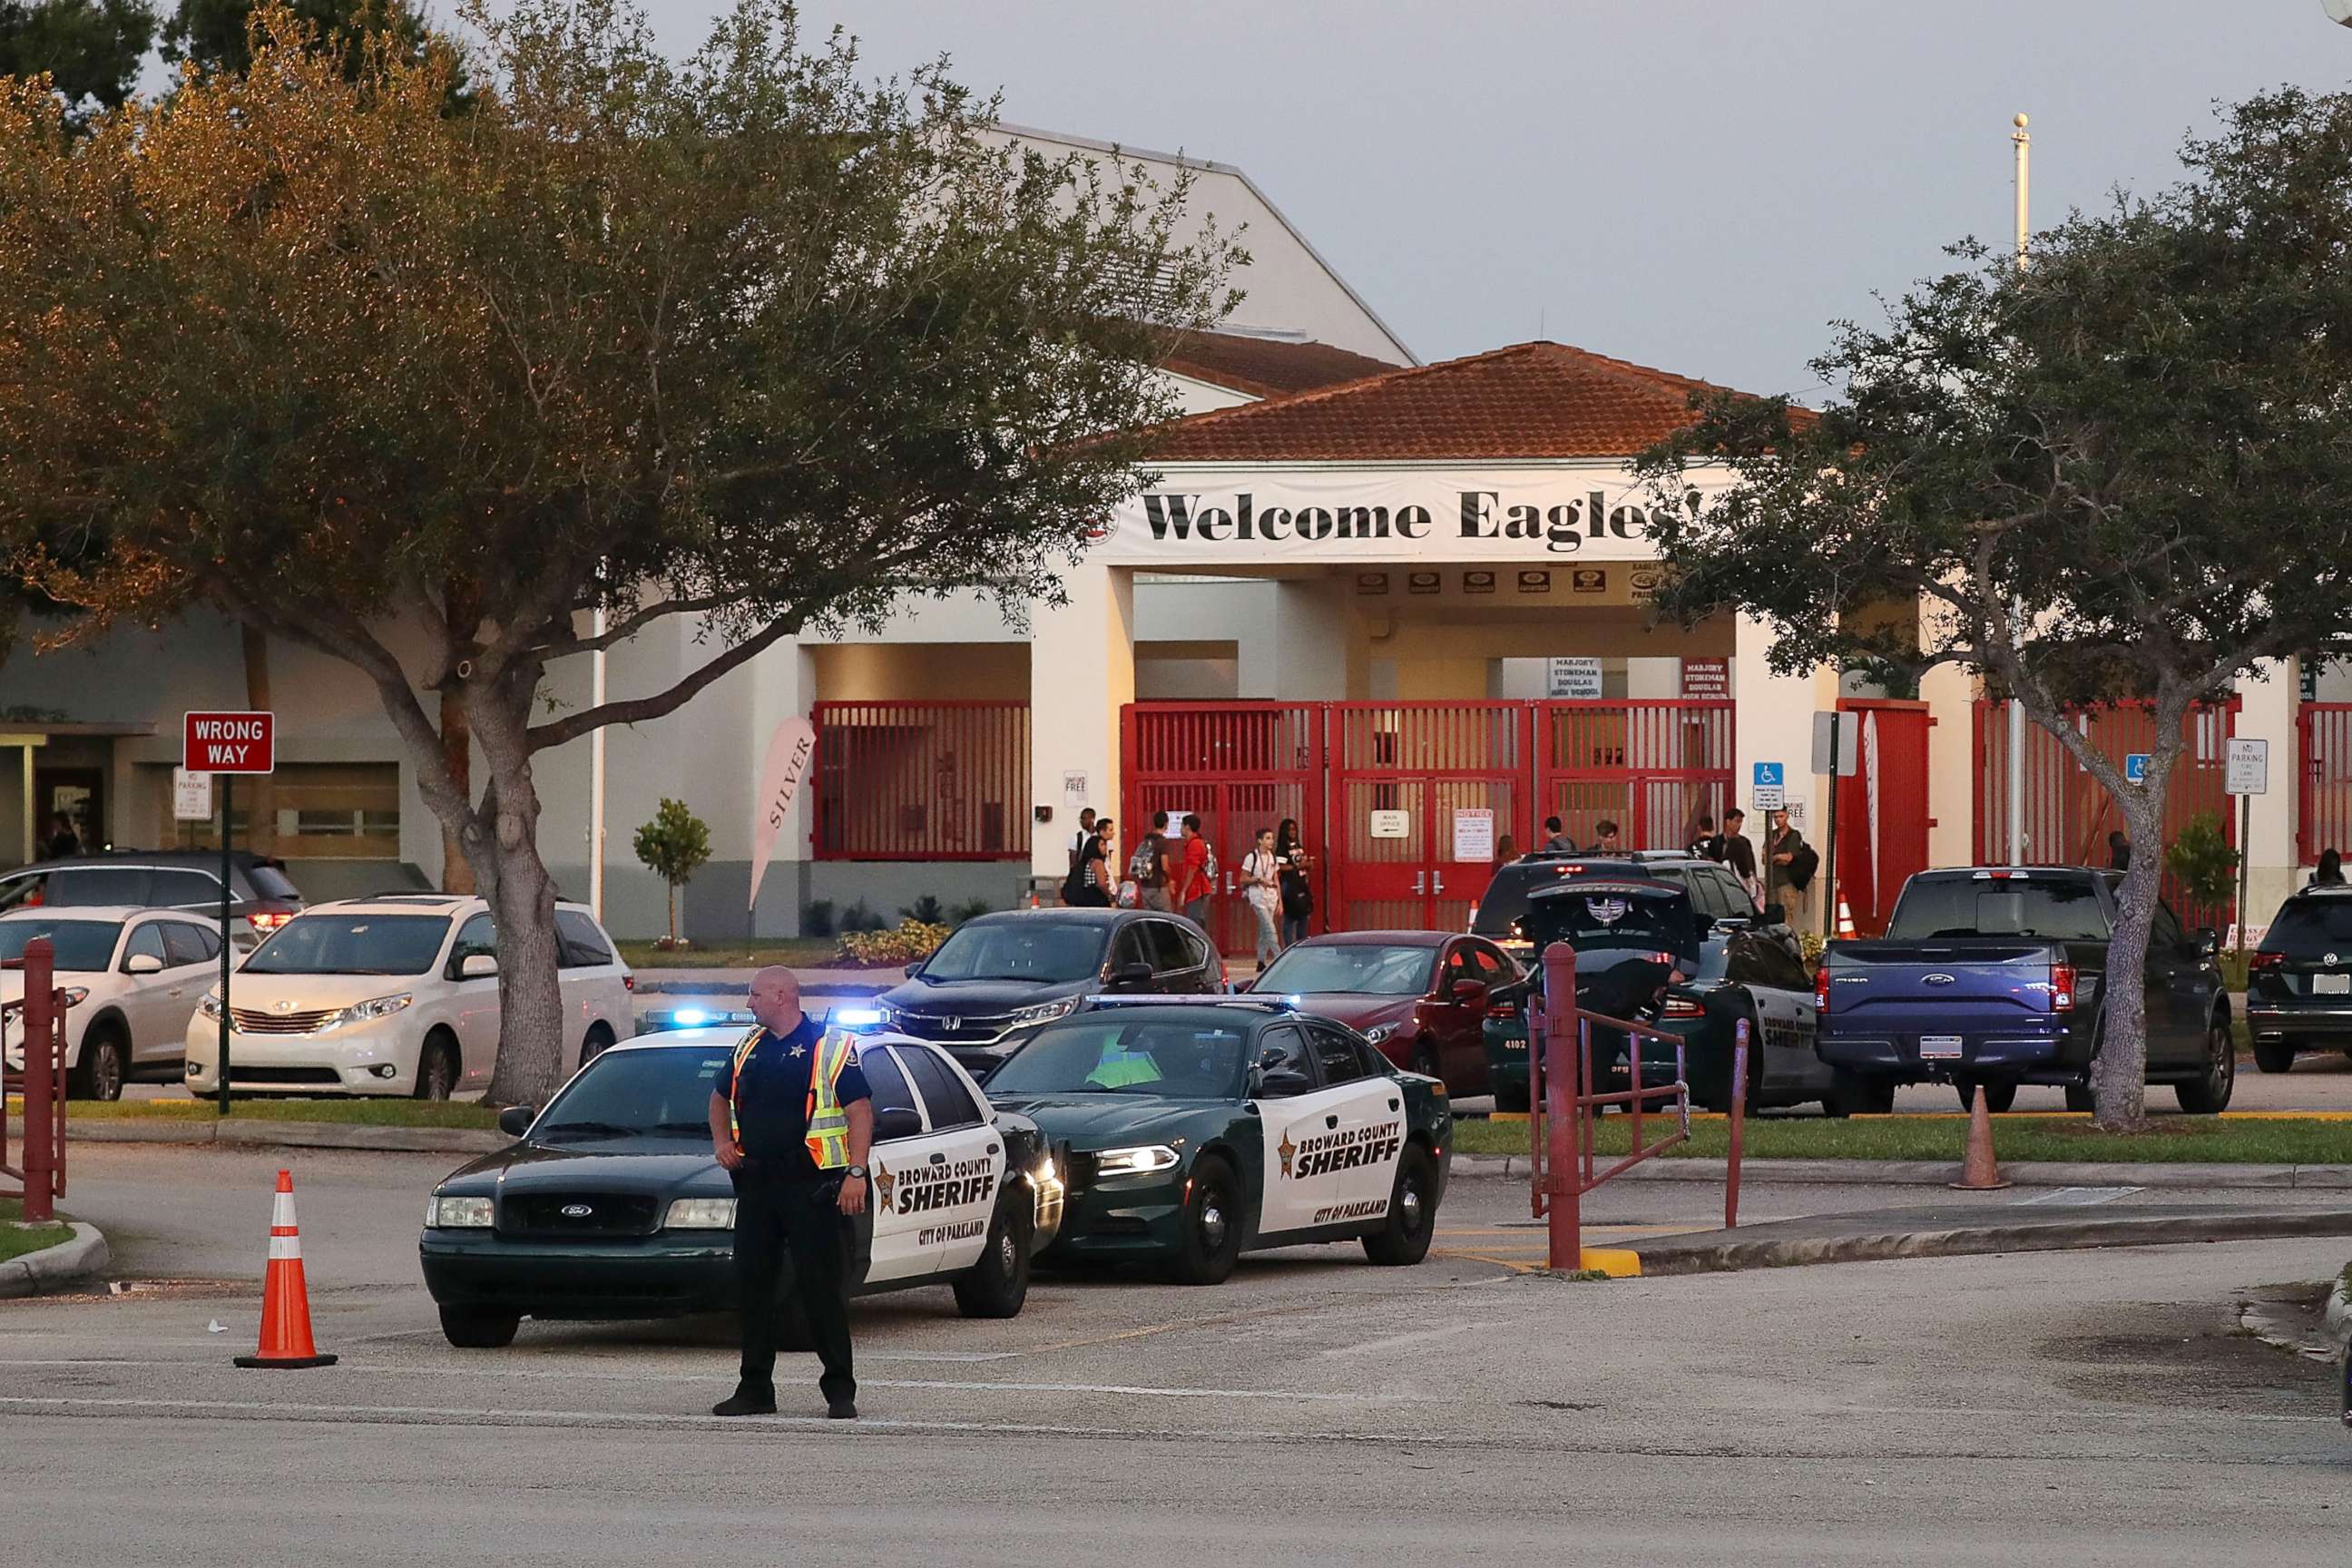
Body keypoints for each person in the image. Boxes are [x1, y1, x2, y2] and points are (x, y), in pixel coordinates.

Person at [707, 966, 872, 1420]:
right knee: (755, 1286)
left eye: (754, 994)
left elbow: (859, 1111)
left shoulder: (830, 1047)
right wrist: (723, 1143)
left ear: (781, 996)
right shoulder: (749, 1047)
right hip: (758, 1185)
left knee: (821, 1288)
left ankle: (839, 1390)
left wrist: (856, 1172)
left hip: (811, 1186)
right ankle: (755, 1388)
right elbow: (719, 1098)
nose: (748, 1003)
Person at [1764, 807, 1816, 932]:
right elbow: (1764, 858)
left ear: (1787, 816)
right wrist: (1777, 858)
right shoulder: (1772, 834)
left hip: (1787, 882)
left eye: (1781, 816)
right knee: (1771, 917)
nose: (1778, 820)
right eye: (1775, 817)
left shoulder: (1793, 835)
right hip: (1772, 883)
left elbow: (1788, 858)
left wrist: (1774, 857)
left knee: (1786, 917)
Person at [1240, 827, 1283, 967]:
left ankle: (1261, 960)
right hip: (1258, 897)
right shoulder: (1252, 857)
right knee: (1270, 929)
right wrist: (1258, 880)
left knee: (1264, 929)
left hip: (1271, 896)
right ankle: (1279, 958)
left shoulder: (1272, 857)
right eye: (1267, 838)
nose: (1271, 841)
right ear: (1260, 840)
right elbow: (1243, 878)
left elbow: (1276, 879)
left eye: (1272, 838)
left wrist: (1280, 902)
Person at [1275, 818, 1315, 946]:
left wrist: (1308, 864)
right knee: (1290, 917)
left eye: (1294, 829)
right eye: (1290, 829)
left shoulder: (1298, 846)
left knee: (1304, 914)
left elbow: (1300, 862)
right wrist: (1297, 867)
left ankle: (1301, 944)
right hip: (1289, 884)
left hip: (1301, 883)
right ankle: (1289, 947)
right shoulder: (1282, 848)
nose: (1293, 832)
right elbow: (1280, 866)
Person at [1175, 813, 1215, 937]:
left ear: (1187, 827)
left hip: (1197, 891)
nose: (1180, 829)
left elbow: (1192, 868)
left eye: (1181, 826)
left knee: (1195, 925)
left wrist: (1184, 891)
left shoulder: (1195, 844)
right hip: (1197, 889)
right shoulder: (1193, 843)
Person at [1064, 818, 1115, 906]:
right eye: (1102, 845)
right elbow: (1101, 883)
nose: (1105, 848)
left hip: (1086, 897)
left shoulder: (1087, 862)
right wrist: (1109, 895)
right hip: (1097, 898)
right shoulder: (1098, 863)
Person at [1132, 812, 1173, 913]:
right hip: (1158, 887)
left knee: (1150, 917)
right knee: (1166, 918)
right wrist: (1169, 880)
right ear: (1166, 824)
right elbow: (1165, 866)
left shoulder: (1147, 840)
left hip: (1145, 886)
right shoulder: (1162, 842)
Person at [1720, 807, 1760, 907]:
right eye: (1737, 821)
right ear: (1728, 822)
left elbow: (1750, 863)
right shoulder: (1718, 841)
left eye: (1741, 822)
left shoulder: (1744, 842)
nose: (1739, 825)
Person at [1067, 808, 1097, 874]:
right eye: (1080, 819)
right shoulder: (1076, 838)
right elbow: (1073, 860)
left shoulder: (1100, 835)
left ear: (1092, 819)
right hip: (1082, 873)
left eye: (1084, 818)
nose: (1081, 821)